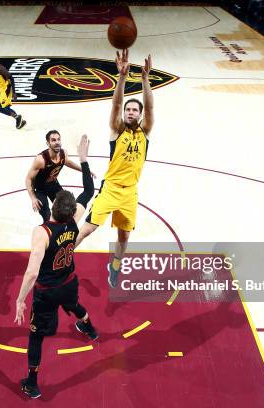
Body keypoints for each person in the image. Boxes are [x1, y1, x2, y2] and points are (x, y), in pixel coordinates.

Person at [15, 134, 97, 399]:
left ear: (53, 206)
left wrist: (19, 300)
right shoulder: (74, 221)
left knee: (36, 337)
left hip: (47, 291)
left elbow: (31, 272)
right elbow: (88, 191)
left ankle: (32, 382)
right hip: (68, 283)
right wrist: (84, 161)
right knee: (73, 305)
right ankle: (89, 327)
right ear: (71, 209)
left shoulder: (42, 232)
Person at [75, 49, 154, 289]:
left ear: (139, 115)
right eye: (128, 110)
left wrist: (144, 79)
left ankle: (115, 266)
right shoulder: (116, 129)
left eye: (134, 110)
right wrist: (121, 77)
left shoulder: (145, 132)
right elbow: (116, 102)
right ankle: (58, 260)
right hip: (109, 189)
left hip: (130, 193)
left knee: (124, 237)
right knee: (87, 229)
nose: (130, 112)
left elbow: (150, 108)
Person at [25, 130, 96, 222]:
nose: (57, 142)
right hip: (40, 189)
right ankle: (50, 234)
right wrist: (33, 198)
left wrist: (85, 170)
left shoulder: (63, 153)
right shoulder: (41, 160)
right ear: (48, 143)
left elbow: (67, 162)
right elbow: (28, 179)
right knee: (47, 216)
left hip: (53, 185)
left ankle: (64, 230)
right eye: (53, 140)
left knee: (67, 208)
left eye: (58, 139)